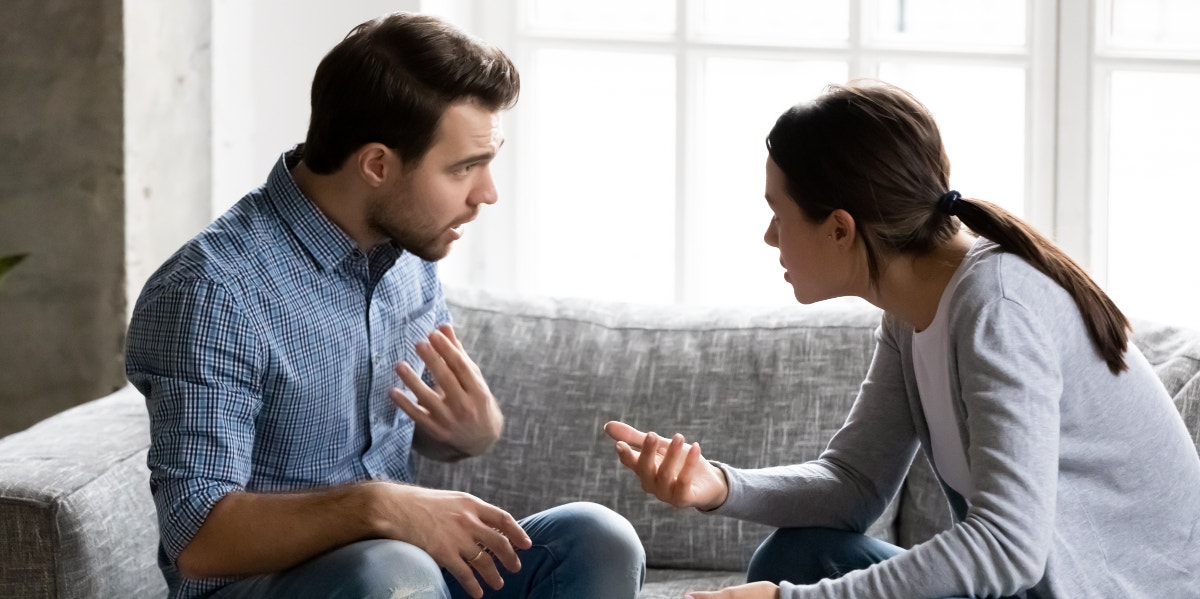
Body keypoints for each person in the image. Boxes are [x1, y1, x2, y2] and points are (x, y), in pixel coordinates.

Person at [604, 79, 1200, 598]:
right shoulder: (911, 310)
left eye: (777, 213)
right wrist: (719, 486)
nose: (768, 237)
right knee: (798, 557)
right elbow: (854, 486)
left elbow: (1007, 546)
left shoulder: (998, 308)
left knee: (795, 577)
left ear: (840, 228)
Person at [126, 12, 644, 599]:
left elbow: (378, 430)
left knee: (599, 538)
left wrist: (468, 434)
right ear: (377, 165)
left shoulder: (409, 248)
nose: (487, 194)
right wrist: (379, 507)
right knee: (391, 570)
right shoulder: (212, 293)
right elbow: (197, 540)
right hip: (277, 587)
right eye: (464, 168)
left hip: (407, 580)